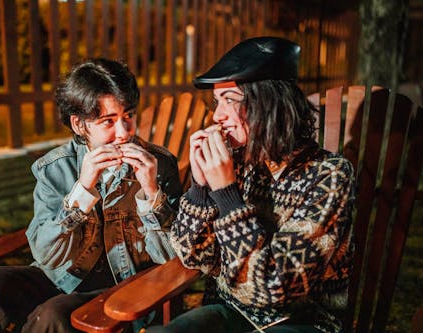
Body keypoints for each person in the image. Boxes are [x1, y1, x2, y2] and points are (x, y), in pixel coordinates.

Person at [0, 58, 183, 333]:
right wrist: (83, 189)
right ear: (79, 125)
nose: (123, 133)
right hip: (65, 275)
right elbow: (45, 255)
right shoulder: (53, 169)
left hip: (125, 284)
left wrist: (150, 191)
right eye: (108, 121)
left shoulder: (159, 166)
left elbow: (174, 258)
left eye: (128, 116)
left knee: (53, 314)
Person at [151, 37, 355, 333]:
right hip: (228, 311)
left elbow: (272, 287)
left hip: (299, 321)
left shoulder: (329, 176)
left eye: (230, 100)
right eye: (217, 101)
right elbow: (194, 257)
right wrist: (200, 188)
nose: (217, 115)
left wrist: (227, 194)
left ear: (269, 104)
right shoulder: (236, 162)